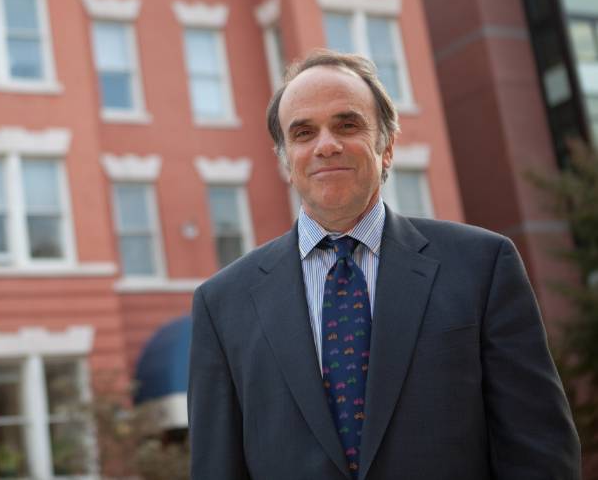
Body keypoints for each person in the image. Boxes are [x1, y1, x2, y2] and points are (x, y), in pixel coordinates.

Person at [187, 50, 580, 480]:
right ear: (285, 160)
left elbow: (539, 453)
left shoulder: (483, 267)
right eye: (303, 133)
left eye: (347, 124)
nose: (326, 145)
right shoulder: (222, 305)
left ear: (387, 146)